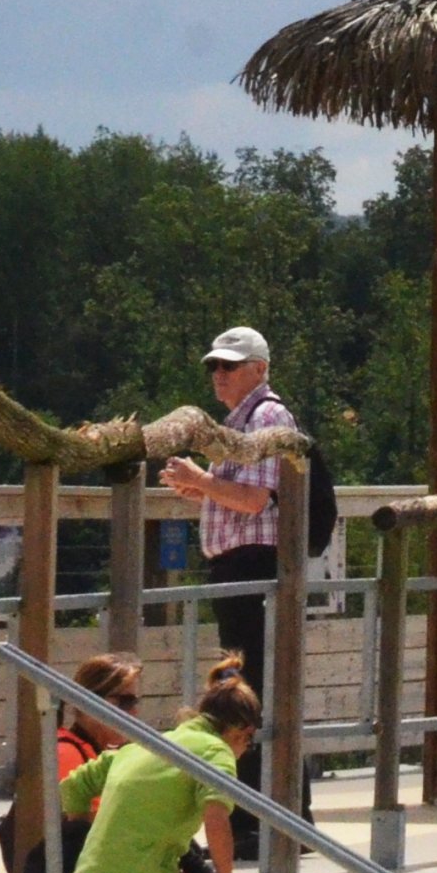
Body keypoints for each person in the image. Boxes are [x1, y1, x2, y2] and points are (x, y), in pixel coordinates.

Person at [55, 664, 314, 873]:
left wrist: (86, 835)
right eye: (248, 744)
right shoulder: (216, 750)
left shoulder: (147, 743)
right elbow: (216, 818)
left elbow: (72, 787)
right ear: (244, 732)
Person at [156, 326, 307, 815]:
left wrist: (202, 479)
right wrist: (200, 489)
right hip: (236, 568)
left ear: (259, 369)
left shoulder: (267, 417)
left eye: (229, 365)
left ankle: (270, 813)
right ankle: (264, 812)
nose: (218, 374)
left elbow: (254, 500)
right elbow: (242, 500)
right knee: (246, 687)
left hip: (254, 567)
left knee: (251, 691)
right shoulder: (237, 422)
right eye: (214, 366)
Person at [6, 654, 143, 873]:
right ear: (88, 703)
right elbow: (87, 827)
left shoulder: (99, 752)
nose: (134, 713)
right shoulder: (67, 751)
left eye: (135, 702)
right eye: (125, 702)